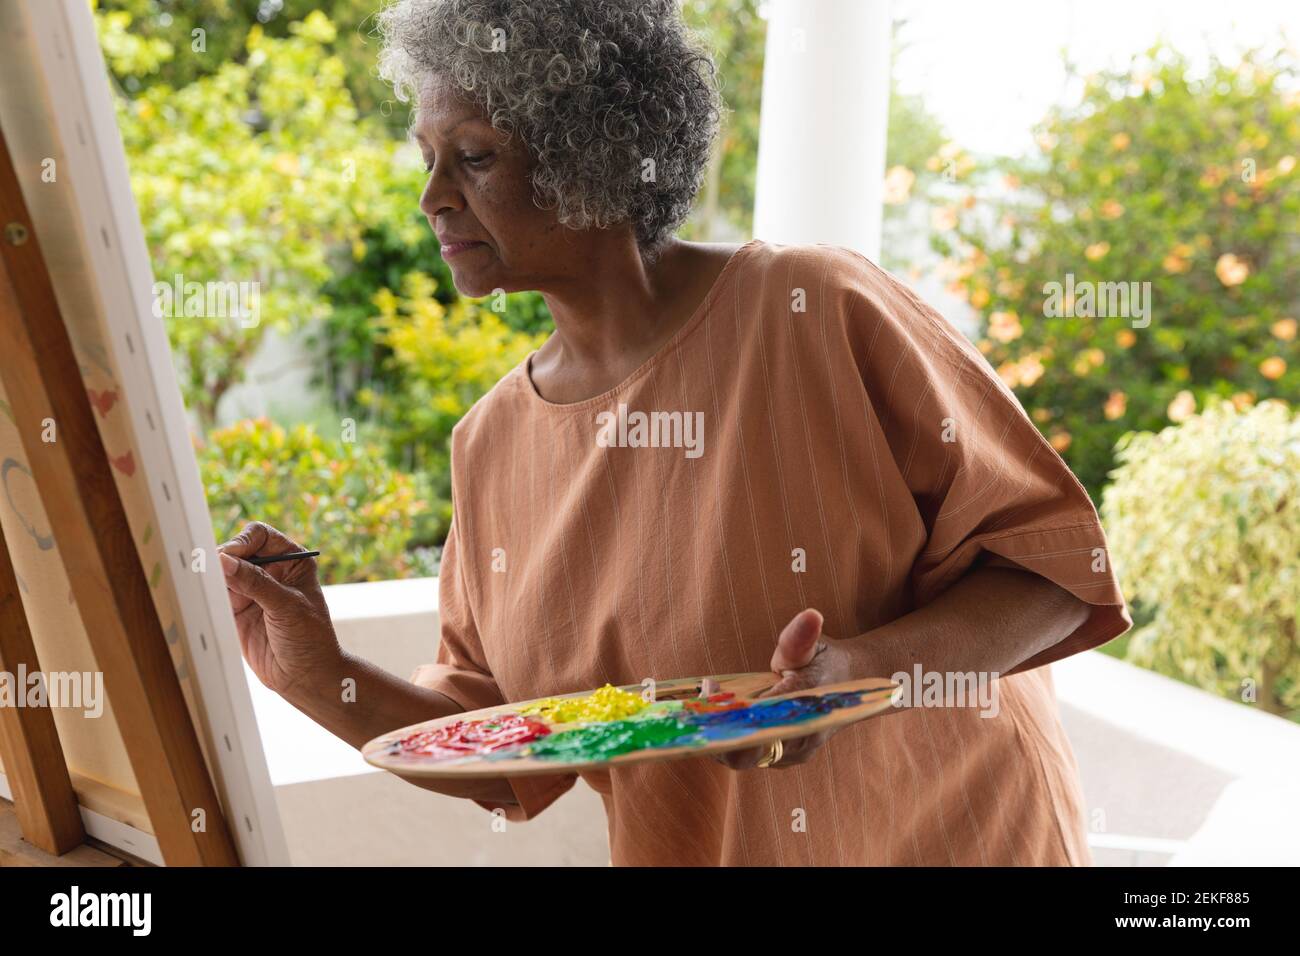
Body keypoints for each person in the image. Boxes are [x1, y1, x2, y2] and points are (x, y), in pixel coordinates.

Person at [219, 0, 1130, 865]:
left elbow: (1049, 570)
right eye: (427, 157)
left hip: (955, 839)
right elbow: (498, 733)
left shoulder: (814, 307)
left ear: (592, 153)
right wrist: (313, 669)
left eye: (474, 156)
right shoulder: (489, 442)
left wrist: (861, 674)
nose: (432, 198)